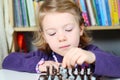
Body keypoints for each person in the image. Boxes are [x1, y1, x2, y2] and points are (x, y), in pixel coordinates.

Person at [2, 0, 120, 78]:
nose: (61, 38)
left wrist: (93, 58)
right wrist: (39, 65)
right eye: (52, 33)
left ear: (80, 29)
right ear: (44, 37)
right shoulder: (44, 56)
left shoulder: (90, 52)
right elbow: (8, 60)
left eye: (68, 29)